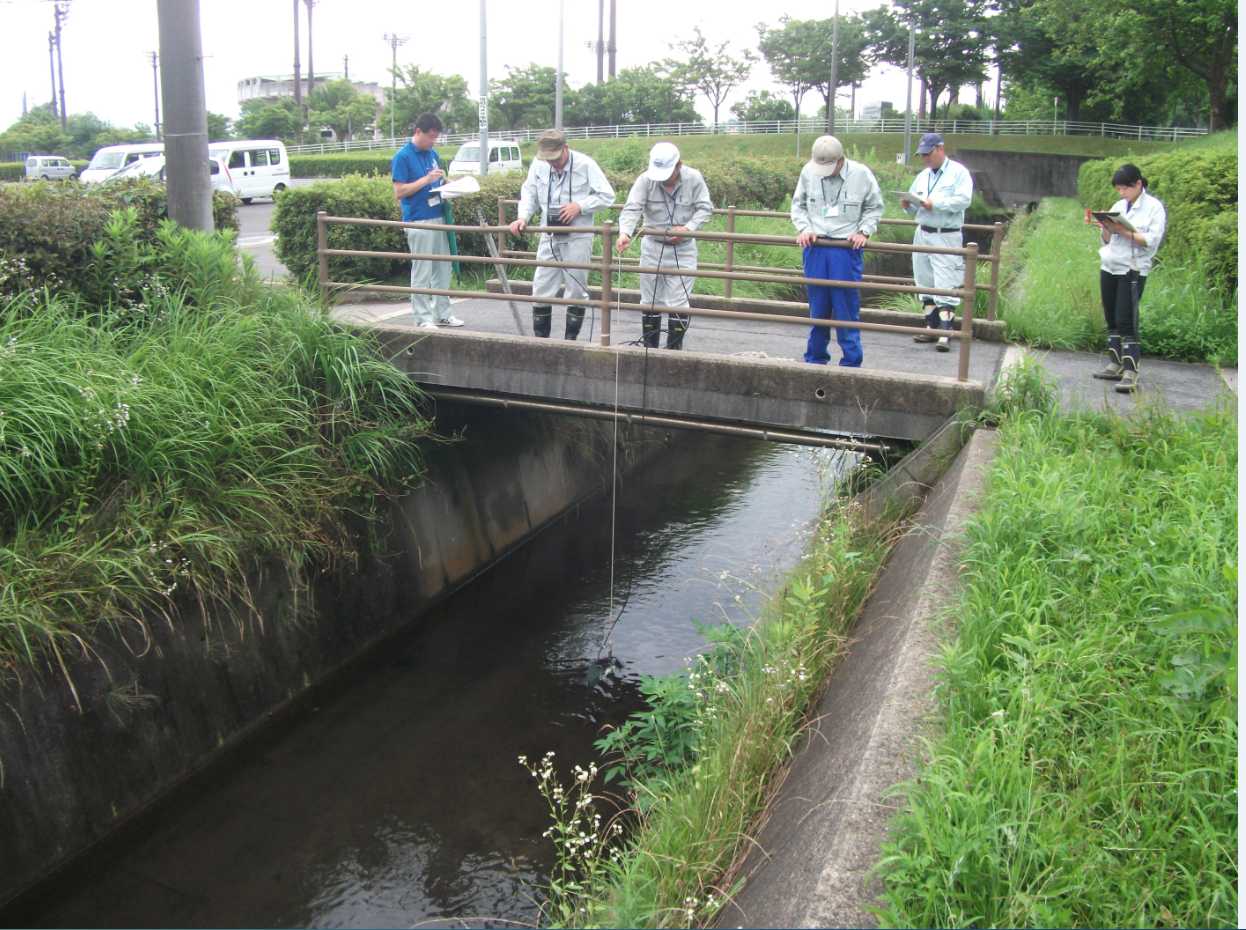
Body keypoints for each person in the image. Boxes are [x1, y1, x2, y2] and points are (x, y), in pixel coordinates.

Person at [509, 129, 615, 340]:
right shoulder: (539, 166)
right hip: (549, 233)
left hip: (578, 234)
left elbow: (607, 195)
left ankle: (571, 342)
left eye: (555, 159)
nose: (553, 163)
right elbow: (529, 192)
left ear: (565, 149)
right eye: (548, 159)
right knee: (541, 287)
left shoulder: (585, 164)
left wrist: (580, 206)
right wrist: (523, 217)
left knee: (576, 290)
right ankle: (541, 342)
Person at [790, 135, 883, 367]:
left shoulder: (861, 174)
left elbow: (874, 206)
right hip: (816, 246)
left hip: (845, 248)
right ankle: (815, 359)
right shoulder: (808, 172)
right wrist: (804, 228)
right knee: (818, 306)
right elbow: (798, 205)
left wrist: (864, 231)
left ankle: (851, 362)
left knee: (845, 307)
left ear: (841, 160)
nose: (825, 172)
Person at [615, 142, 713, 350]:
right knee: (650, 300)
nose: (664, 178)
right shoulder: (645, 180)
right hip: (652, 246)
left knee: (678, 302)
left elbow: (705, 208)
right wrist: (625, 233)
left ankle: (673, 351)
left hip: (684, 249)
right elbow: (632, 208)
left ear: (679, 165)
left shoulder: (694, 178)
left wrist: (688, 228)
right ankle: (649, 349)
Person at [1090, 163, 1166, 393]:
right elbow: (1106, 240)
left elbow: (1151, 240)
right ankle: (1115, 363)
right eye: (1119, 189)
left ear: (1138, 184)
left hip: (1132, 268)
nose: (1122, 193)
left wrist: (1123, 231)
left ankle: (1131, 370)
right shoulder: (1119, 205)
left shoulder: (1154, 208)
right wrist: (1104, 227)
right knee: (1111, 315)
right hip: (1110, 264)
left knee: (1126, 319)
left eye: (1125, 188)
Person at [900, 133, 974, 352]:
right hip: (923, 231)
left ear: (940, 149)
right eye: (922, 155)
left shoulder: (959, 173)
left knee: (945, 280)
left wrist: (936, 204)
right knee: (924, 280)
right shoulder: (923, 176)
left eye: (928, 154)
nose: (925, 159)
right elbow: (916, 206)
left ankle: (945, 332)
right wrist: (908, 204)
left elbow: (963, 200)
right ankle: (931, 327)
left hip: (946, 233)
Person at [391, 113, 464, 330]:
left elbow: (438, 181)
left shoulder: (432, 153)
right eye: (430, 137)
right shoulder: (402, 156)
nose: (433, 141)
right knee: (422, 269)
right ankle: (423, 318)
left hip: (439, 215)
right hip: (418, 219)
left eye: (435, 138)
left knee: (443, 267)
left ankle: (443, 313)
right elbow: (399, 192)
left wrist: (453, 185)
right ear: (418, 132)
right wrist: (426, 180)